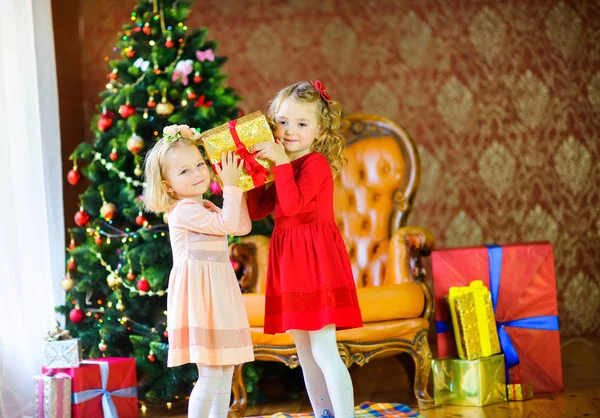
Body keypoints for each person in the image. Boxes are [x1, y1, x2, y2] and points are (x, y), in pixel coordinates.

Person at [248, 81, 363, 418]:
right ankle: (323, 414)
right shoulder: (281, 164)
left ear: (319, 130)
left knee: (324, 348)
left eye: (301, 124)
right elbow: (257, 210)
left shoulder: (314, 165)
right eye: (282, 122)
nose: (290, 131)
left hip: (315, 260)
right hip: (289, 259)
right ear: (272, 123)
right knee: (304, 349)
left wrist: (279, 164)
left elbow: (295, 205)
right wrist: (249, 175)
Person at [143, 124, 253, 418]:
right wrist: (230, 186)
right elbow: (228, 225)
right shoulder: (182, 211)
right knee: (211, 373)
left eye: (200, 164)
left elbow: (241, 226)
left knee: (226, 369)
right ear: (168, 186)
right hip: (201, 301)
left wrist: (237, 186)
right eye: (184, 171)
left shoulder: (204, 206)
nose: (197, 173)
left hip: (219, 296)